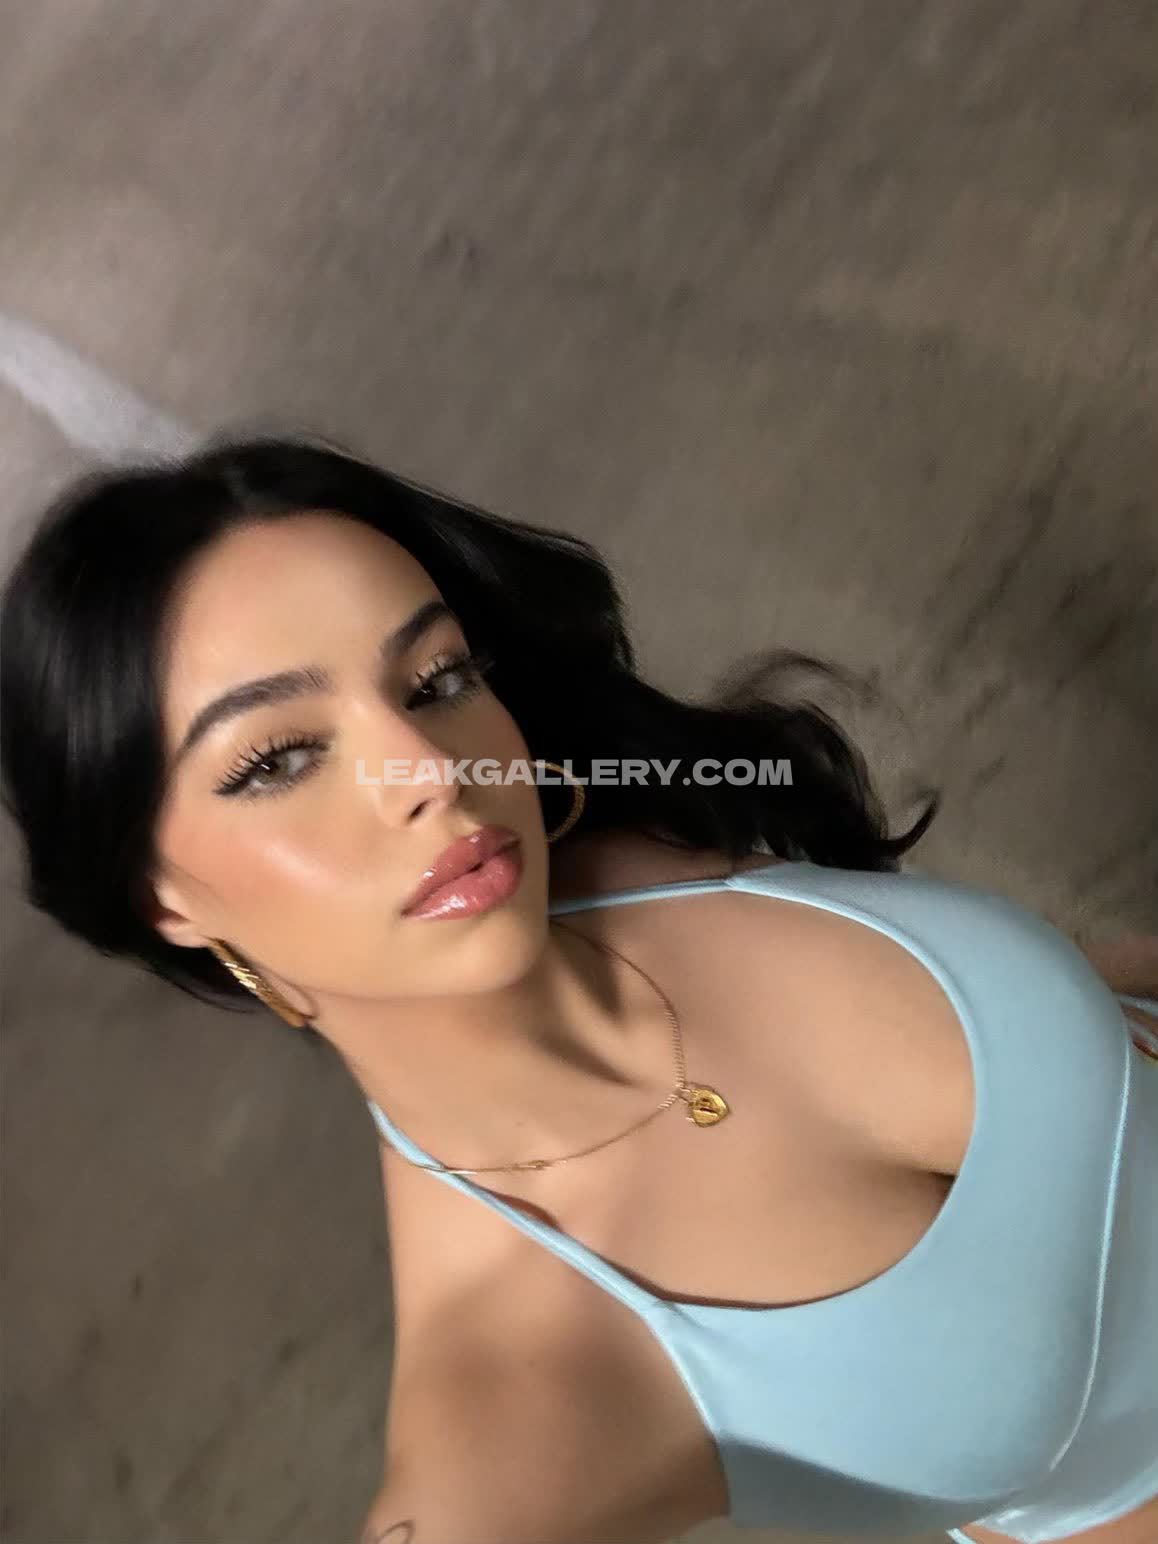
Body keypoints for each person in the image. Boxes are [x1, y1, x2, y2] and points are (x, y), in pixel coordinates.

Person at [1, 433, 1154, 1544]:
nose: (433, 772)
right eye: (279, 758)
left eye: (435, 677)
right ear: (166, 899)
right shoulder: (517, 1393)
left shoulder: (614, 835)